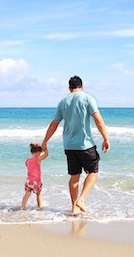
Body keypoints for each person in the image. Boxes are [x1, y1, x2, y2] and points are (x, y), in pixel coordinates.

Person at [42, 75, 110, 215]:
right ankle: (82, 200)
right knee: (93, 172)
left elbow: (54, 124)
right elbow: (98, 120)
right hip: (85, 145)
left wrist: (45, 141)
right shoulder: (87, 98)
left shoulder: (63, 102)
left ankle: (74, 208)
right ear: (82, 86)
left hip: (69, 146)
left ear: (69, 87)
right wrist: (106, 138)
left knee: (74, 177)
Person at [21, 143, 48, 210]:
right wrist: (45, 146)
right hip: (36, 181)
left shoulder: (27, 161)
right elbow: (46, 155)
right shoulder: (37, 159)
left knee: (27, 194)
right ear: (38, 152)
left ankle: (22, 207)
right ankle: (40, 206)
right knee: (38, 194)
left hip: (29, 181)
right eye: (40, 152)